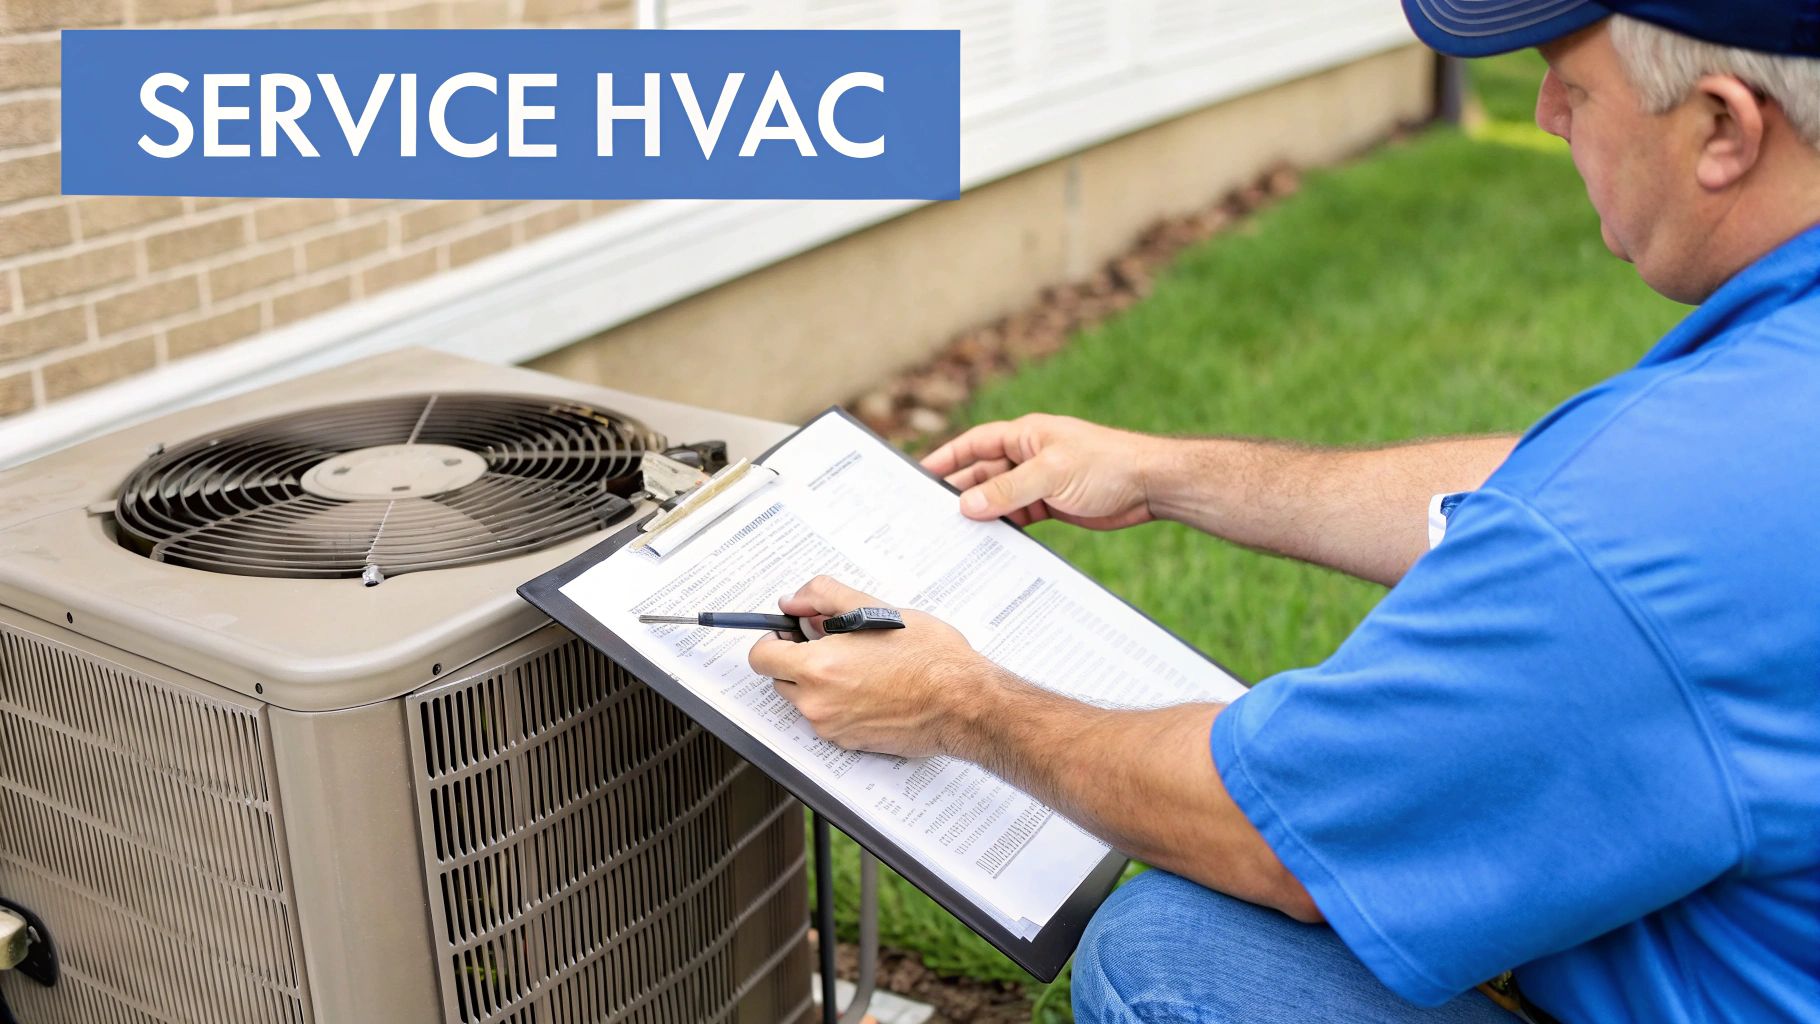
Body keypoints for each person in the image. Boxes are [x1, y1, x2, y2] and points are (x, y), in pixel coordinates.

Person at [747, 2, 1820, 1020]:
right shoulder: (1747, 418)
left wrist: (955, 703)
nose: (1545, 112)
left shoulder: (1644, 522)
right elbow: (1534, 495)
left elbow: (1272, 830)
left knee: (1172, 955)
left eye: (1569, 83)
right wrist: (1167, 472)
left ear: (1720, 126)